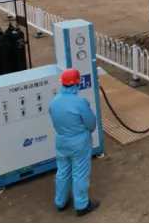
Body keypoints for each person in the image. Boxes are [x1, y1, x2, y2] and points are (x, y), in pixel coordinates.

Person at [48, 68, 100, 216]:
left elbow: (54, 121)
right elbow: (91, 124)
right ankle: (82, 206)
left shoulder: (54, 102)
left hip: (61, 142)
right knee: (79, 173)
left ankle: (60, 202)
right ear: (77, 83)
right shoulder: (80, 103)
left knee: (63, 172)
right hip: (79, 143)